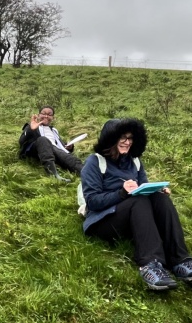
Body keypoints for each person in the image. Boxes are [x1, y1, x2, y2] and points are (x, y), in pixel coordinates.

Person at [81, 118, 192, 291]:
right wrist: (121, 193)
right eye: (122, 137)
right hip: (101, 221)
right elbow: (93, 201)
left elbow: (143, 187)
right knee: (138, 201)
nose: (127, 142)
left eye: (130, 138)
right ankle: (150, 264)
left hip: (131, 216)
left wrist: (156, 191)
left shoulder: (135, 161)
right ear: (110, 138)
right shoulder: (94, 162)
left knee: (160, 198)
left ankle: (180, 260)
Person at [18, 105, 83, 182]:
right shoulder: (32, 126)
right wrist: (30, 129)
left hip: (54, 151)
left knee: (69, 158)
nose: (46, 116)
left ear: (53, 118)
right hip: (37, 149)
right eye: (43, 113)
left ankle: (87, 173)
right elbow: (21, 141)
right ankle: (53, 174)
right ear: (39, 115)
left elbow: (59, 145)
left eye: (49, 114)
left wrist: (69, 147)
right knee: (43, 140)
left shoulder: (54, 130)